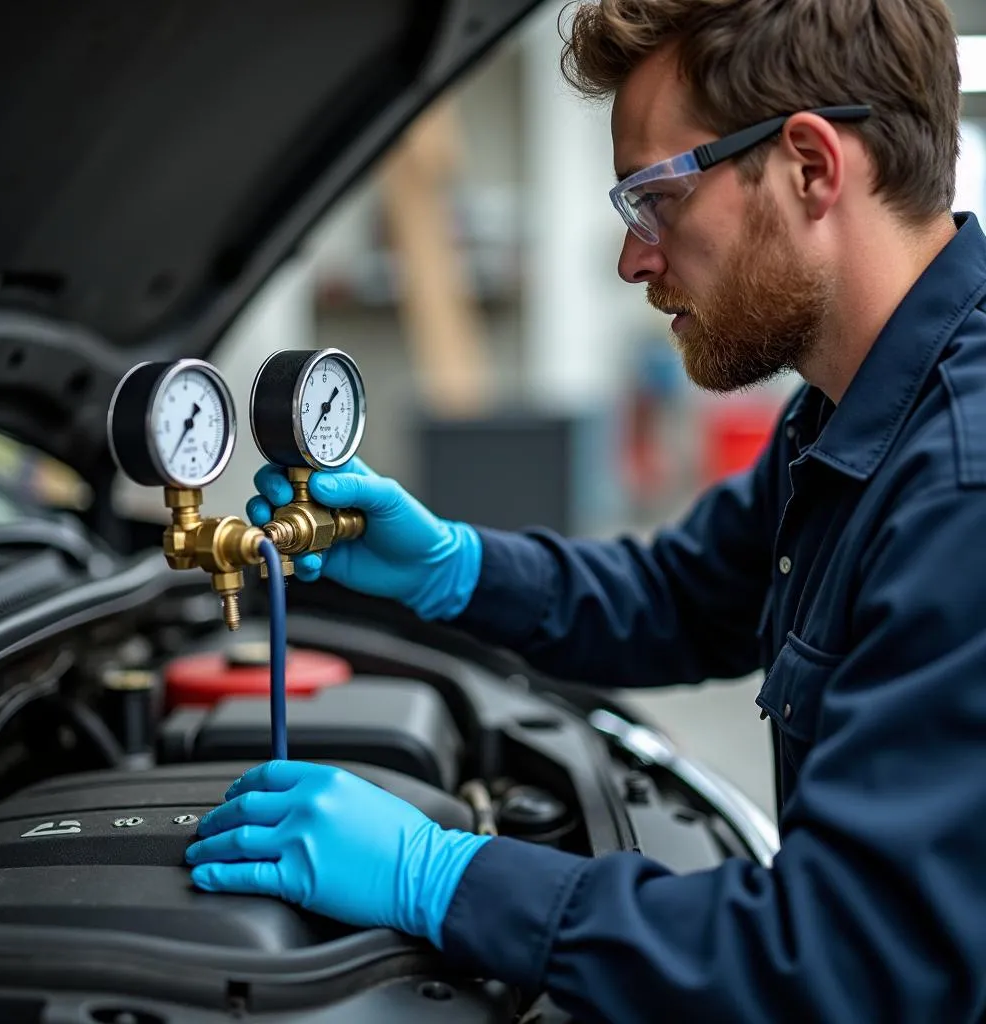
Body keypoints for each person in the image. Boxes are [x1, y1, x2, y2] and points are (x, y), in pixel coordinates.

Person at [183, 0, 986, 1019]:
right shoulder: (851, 409)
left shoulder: (962, 484)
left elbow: (843, 961)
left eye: (655, 200)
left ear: (810, 168)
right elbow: (685, 595)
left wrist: (444, 879)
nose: (633, 259)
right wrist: (455, 566)